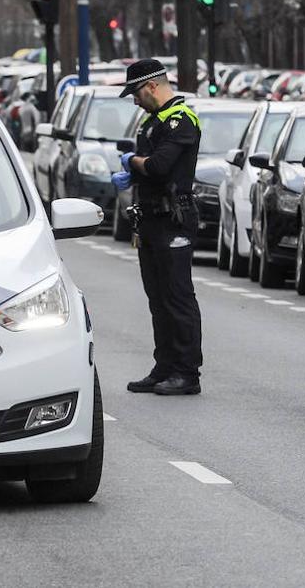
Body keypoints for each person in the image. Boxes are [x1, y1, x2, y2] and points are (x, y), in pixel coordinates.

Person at [112, 59, 204, 396]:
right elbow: (148, 167)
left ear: (152, 85)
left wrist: (132, 163)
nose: (135, 100)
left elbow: (160, 166)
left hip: (173, 219)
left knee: (177, 296)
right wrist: (134, 172)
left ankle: (186, 372)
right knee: (158, 298)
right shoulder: (152, 121)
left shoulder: (180, 119)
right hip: (151, 218)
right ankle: (164, 366)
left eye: (136, 93)